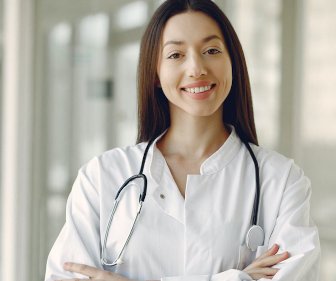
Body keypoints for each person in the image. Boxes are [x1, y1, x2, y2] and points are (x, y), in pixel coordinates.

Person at [45, 0, 320, 280]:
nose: (196, 68)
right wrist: (240, 277)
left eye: (211, 50)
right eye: (176, 54)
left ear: (232, 62)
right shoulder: (103, 177)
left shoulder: (282, 181)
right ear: (155, 73)